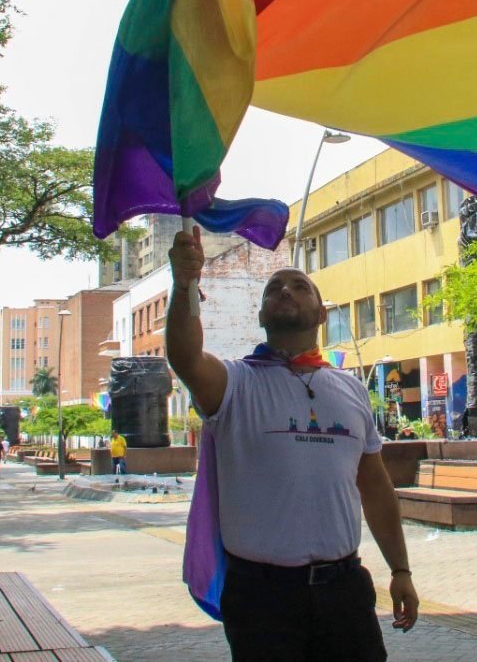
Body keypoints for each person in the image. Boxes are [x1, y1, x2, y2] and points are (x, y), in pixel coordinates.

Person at [167, 227, 418, 660]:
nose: (286, 290)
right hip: (261, 598)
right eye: (274, 288)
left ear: (322, 314)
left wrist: (400, 570)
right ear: (261, 316)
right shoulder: (233, 383)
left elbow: (375, 489)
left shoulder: (352, 390)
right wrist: (184, 283)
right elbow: (185, 357)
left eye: (300, 286)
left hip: (344, 590)